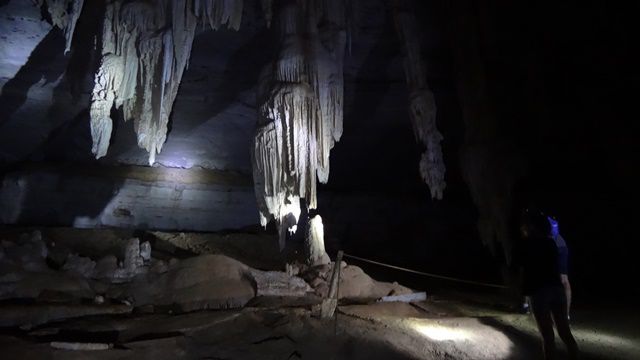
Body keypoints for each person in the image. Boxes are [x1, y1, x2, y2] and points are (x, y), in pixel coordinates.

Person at [520, 209, 578, 360]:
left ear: (530, 227)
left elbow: (522, 269)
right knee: (565, 333)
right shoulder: (552, 243)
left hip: (539, 292)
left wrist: (525, 297)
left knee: (547, 336)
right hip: (557, 290)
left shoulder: (527, 244)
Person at [548, 216, 572, 319]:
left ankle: (551, 313)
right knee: (565, 280)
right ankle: (566, 314)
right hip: (562, 245)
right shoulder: (552, 217)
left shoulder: (539, 217)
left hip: (552, 247)